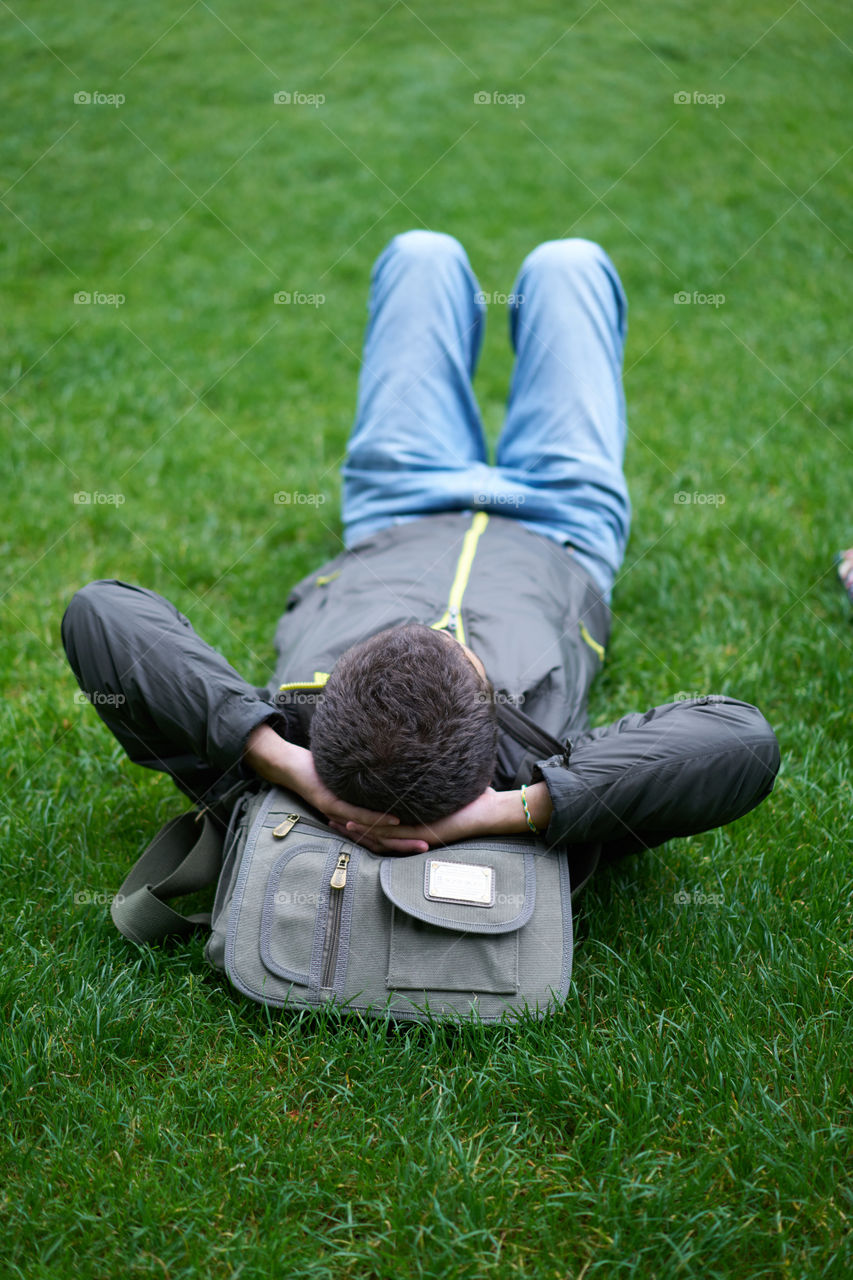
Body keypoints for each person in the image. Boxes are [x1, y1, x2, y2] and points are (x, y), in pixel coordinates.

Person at [61, 231, 780, 876]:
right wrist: (497, 813)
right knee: (569, 265)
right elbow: (738, 740)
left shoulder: (281, 743)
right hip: (562, 521)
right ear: (490, 714)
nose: (433, 626)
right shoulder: (524, 772)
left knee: (420, 254)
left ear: (332, 691)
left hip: (399, 499)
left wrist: (285, 765)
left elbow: (101, 612)